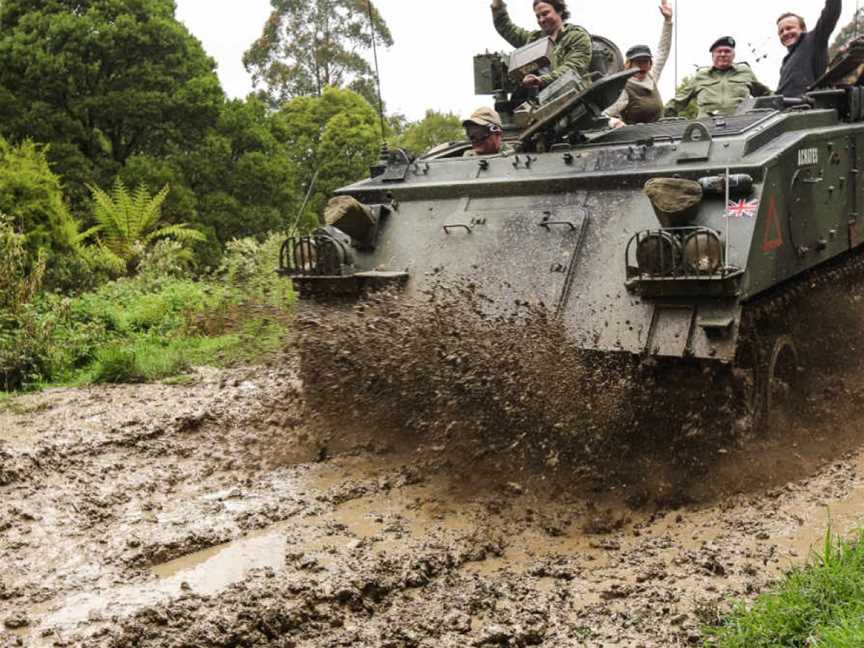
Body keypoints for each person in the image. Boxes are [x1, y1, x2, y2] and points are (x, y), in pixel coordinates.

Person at [489, 0, 592, 91]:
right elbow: (506, 28)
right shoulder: (534, 40)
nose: (541, 19)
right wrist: (497, 3)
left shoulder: (577, 36)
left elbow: (573, 68)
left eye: (545, 13)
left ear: (560, 11)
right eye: (538, 16)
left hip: (572, 95)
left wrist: (540, 80)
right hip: (539, 99)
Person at [665, 36, 772, 118]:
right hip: (706, 129)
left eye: (727, 51)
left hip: (741, 126)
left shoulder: (745, 72)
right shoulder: (701, 76)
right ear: (713, 56)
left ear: (733, 55)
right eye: (719, 51)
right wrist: (665, 118)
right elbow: (678, 101)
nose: (723, 54)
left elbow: (766, 94)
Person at [606, 0, 674, 128]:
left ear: (650, 64)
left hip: (660, 133)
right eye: (638, 62)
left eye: (645, 61)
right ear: (629, 64)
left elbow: (663, 50)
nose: (642, 65)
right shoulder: (623, 88)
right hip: (636, 140)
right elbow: (604, 115)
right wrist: (613, 122)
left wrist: (668, 21)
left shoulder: (651, 76)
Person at [776, 1, 842, 98]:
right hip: (785, 109)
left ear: (803, 29)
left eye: (789, 28)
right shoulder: (785, 62)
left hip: (807, 107)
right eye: (781, 31)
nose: (785, 33)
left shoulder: (814, 40)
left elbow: (830, 14)